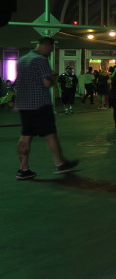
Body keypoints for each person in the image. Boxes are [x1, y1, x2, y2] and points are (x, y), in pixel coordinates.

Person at [14, 37, 79, 180]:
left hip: (24, 104)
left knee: (26, 135)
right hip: (40, 104)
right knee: (50, 133)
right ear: (46, 45)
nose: (50, 51)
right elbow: (46, 83)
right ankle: (60, 163)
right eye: (50, 48)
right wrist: (53, 78)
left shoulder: (23, 60)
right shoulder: (41, 60)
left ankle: (23, 169)